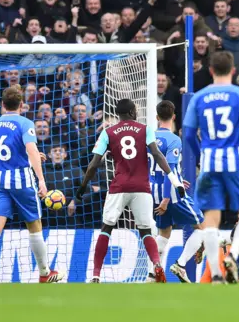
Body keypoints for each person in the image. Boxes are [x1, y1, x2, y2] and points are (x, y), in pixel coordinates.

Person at [75, 99, 184, 283]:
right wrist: (174, 180)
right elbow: (157, 154)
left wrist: (83, 185)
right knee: (146, 230)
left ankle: (95, 275)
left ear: (118, 114)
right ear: (133, 112)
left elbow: (94, 163)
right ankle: (157, 264)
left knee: (106, 228)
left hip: (119, 187)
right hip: (142, 187)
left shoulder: (108, 133)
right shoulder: (145, 129)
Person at [182, 51, 239, 284]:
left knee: (211, 218)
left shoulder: (199, 97)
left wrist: (201, 156)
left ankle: (216, 274)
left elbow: (188, 133)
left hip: (209, 163)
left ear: (210, 71)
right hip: (236, 162)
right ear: (233, 70)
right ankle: (232, 255)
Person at [0, 86, 64, 283]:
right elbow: (30, 149)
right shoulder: (25, 122)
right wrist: (42, 180)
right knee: (34, 226)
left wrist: (30, 156)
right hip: (22, 180)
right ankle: (45, 273)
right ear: (21, 105)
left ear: (2, 105)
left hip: (0, 180)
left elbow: (5, 151)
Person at [146, 100, 205, 283]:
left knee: (164, 233)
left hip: (152, 190)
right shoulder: (174, 139)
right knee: (202, 227)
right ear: (173, 117)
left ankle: (151, 274)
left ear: (156, 117)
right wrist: (166, 198)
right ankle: (180, 264)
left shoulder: (148, 138)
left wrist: (178, 178)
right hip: (169, 193)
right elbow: (167, 170)